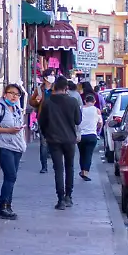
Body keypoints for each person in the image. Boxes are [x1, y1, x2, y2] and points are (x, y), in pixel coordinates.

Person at [41, 77, 85, 208]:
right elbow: (78, 120)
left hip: (53, 139)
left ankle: (60, 199)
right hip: (69, 139)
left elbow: (42, 122)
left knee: (58, 169)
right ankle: (68, 196)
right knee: (69, 167)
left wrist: (46, 134)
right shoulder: (72, 102)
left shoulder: (47, 103)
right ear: (66, 88)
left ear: (54, 87)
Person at [0, 84, 28, 219]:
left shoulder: (16, 108)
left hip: (17, 146)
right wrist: (8, 131)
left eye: (17, 95)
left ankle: (8, 205)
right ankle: (2, 207)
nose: (14, 96)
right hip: (3, 146)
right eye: (12, 93)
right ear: (5, 94)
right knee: (10, 176)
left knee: (12, 177)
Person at [76, 88, 102, 181]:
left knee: (82, 154)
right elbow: (100, 123)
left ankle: (82, 171)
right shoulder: (97, 110)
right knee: (88, 155)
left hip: (81, 136)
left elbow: (76, 121)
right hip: (92, 135)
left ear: (85, 101)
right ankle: (86, 173)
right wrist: (97, 129)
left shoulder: (80, 109)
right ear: (94, 101)